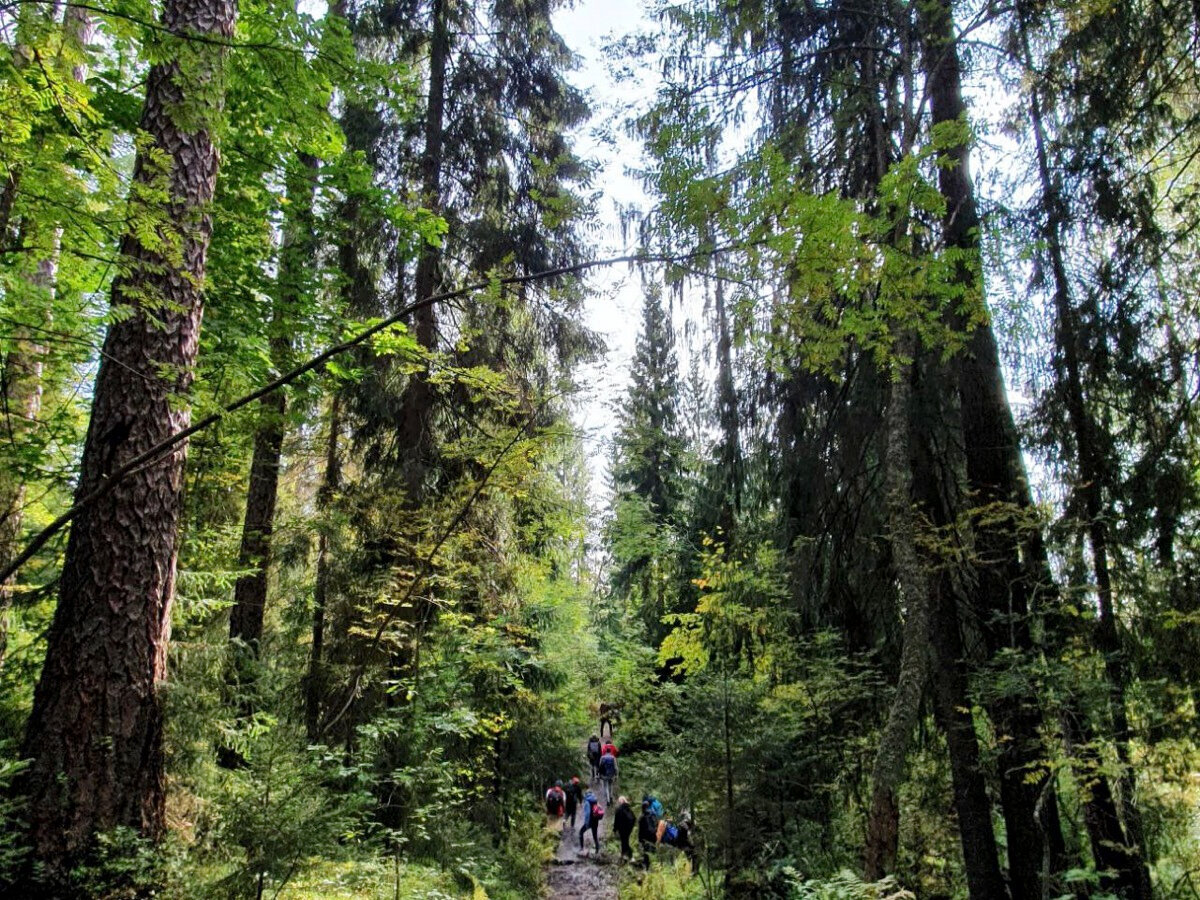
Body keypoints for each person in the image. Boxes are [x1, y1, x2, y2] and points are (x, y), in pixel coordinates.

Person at [637, 797, 658, 868]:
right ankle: (655, 866)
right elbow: (656, 824)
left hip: (645, 837)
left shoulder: (641, 817)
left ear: (642, 808)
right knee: (653, 850)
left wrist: (639, 839)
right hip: (653, 835)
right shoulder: (653, 814)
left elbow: (640, 830)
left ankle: (647, 867)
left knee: (646, 852)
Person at [579, 788, 602, 852]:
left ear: (586, 794)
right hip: (596, 821)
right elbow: (600, 808)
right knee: (595, 835)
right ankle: (597, 850)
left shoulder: (587, 801)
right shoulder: (595, 800)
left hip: (590, 821)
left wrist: (586, 823)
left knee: (580, 832)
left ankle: (581, 848)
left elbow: (587, 813)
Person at [614, 795, 635, 860]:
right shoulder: (629, 808)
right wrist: (631, 827)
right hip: (628, 829)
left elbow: (616, 820)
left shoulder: (619, 809)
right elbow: (634, 818)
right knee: (625, 841)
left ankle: (630, 856)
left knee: (624, 842)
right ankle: (624, 855)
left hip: (622, 829)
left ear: (621, 801)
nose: (619, 802)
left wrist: (615, 829)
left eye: (619, 801)